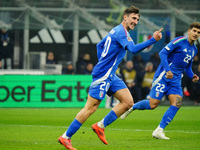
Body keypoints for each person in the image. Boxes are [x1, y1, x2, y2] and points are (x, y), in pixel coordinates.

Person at [58, 6, 163, 150]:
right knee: (90, 108)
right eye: (133, 18)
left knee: (128, 102)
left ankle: (100, 126)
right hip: (104, 74)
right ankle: (65, 137)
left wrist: (104, 60)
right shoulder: (121, 32)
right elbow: (132, 49)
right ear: (125, 17)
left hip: (110, 74)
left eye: (137, 19)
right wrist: (153, 40)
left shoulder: (116, 30)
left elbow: (99, 45)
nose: (135, 21)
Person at [120, 22, 200, 140]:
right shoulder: (179, 41)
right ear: (189, 31)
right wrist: (167, 70)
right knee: (153, 105)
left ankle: (159, 130)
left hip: (176, 80)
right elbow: (163, 52)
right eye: (194, 31)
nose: (196, 34)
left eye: (198, 32)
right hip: (163, 76)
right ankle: (132, 107)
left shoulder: (194, 49)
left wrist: (192, 74)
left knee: (176, 103)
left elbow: (187, 66)